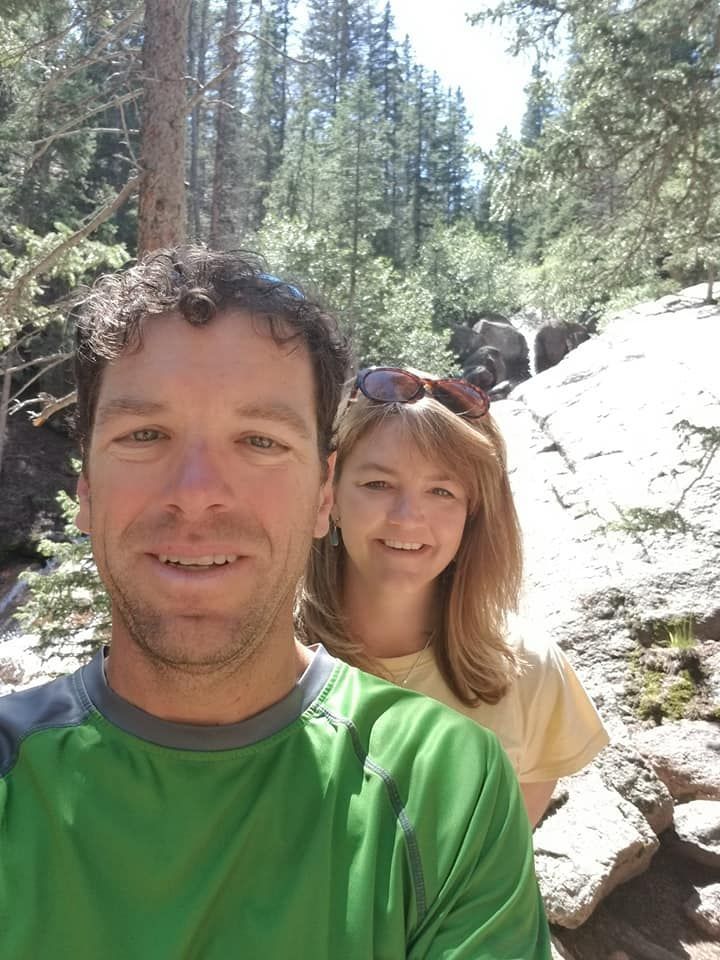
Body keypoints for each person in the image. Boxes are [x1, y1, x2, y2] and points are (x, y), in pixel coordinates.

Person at [0, 249, 551, 960]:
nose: (197, 492)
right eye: (144, 435)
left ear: (323, 494)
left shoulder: (445, 787)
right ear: (84, 487)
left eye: (260, 440)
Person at [298, 366, 609, 827]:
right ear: (331, 496)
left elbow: (494, 871)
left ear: (473, 514)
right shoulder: (261, 653)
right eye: (378, 484)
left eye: (441, 491)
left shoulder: (529, 673)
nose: (408, 517)